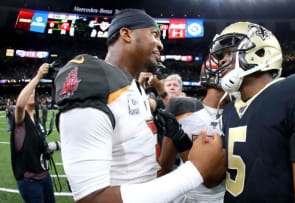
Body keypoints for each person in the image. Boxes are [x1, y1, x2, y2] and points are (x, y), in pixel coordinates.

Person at [55, 9, 223, 203]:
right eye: (154, 34)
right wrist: (195, 170)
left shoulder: (135, 87)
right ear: (126, 34)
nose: (161, 44)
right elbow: (91, 199)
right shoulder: (97, 81)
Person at [203, 22, 295, 203]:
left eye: (229, 52)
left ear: (260, 52)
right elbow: (214, 179)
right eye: (221, 55)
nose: (222, 60)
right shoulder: (230, 110)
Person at [165, 59, 227, 202]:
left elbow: (212, 180)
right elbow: (164, 164)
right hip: (184, 194)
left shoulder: (237, 114)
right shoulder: (181, 107)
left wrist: (181, 140)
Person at [10, 63, 56, 203]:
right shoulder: (21, 118)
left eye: (33, 92)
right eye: (29, 92)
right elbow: (19, 105)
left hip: (44, 176)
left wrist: (47, 152)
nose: (32, 93)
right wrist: (38, 76)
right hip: (30, 180)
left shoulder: (37, 121)